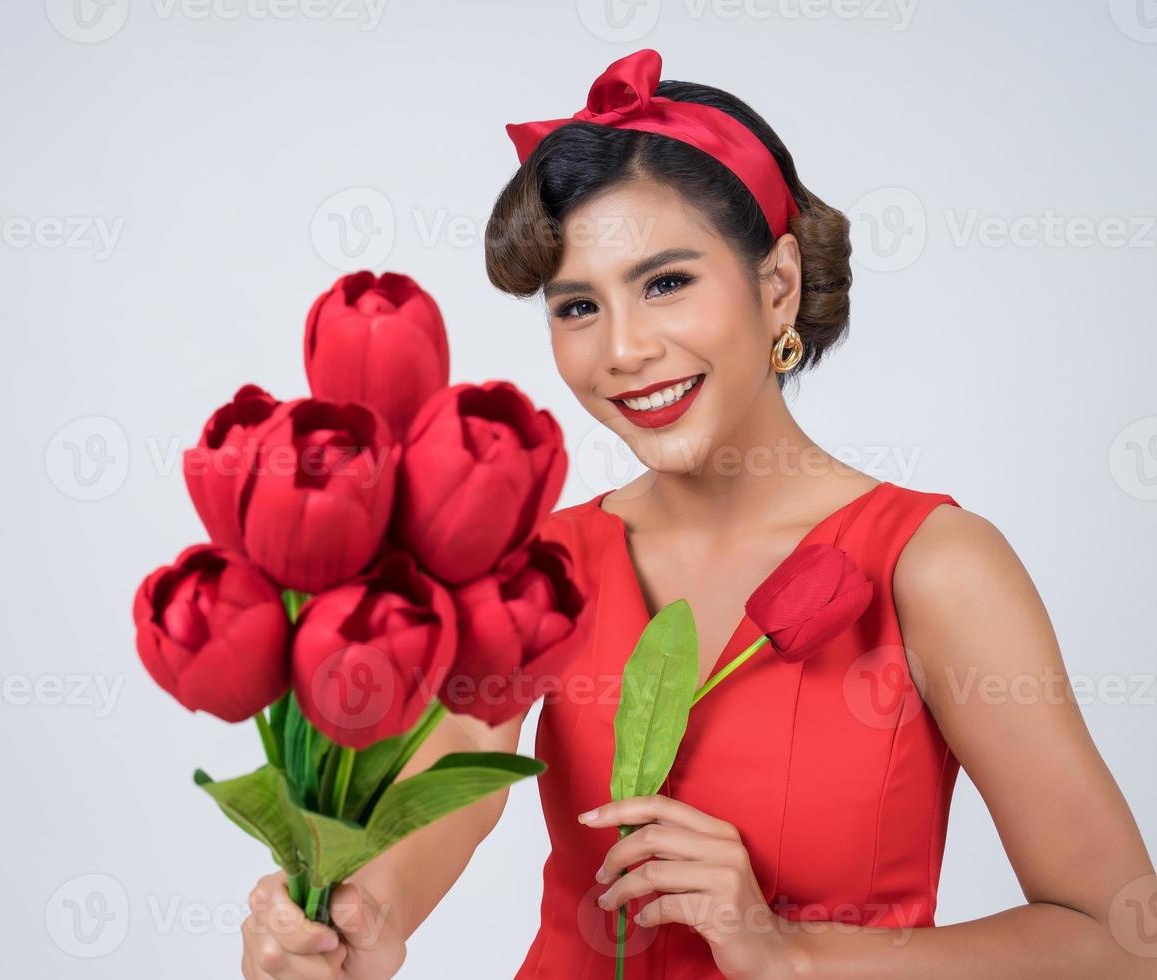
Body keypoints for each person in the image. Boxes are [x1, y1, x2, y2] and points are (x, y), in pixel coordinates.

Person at [239, 50, 1155, 979]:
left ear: (779, 285)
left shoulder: (935, 565)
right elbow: (455, 785)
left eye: (667, 282)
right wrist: (359, 918)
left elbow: (1120, 938)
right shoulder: (544, 559)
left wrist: (791, 955)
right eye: (578, 305)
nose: (625, 349)